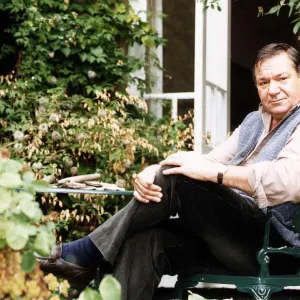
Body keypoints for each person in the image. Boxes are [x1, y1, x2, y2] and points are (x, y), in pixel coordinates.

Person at [39, 43, 300, 299]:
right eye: (263, 83)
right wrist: (155, 168)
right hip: (227, 241)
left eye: (282, 79)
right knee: (144, 242)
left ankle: (84, 255)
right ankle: (85, 261)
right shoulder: (255, 121)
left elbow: (287, 181)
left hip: (272, 247)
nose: (272, 89)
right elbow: (207, 161)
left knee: (180, 178)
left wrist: (217, 174)